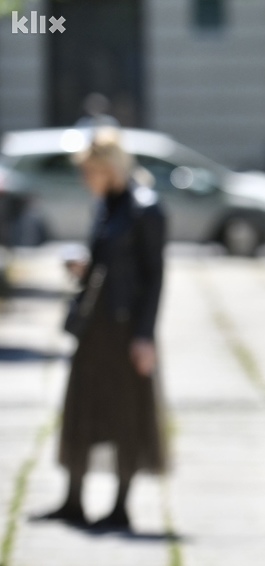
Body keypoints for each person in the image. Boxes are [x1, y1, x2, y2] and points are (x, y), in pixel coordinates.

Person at [40, 129, 168, 530]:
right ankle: (73, 501)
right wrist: (85, 266)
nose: (85, 180)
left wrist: (145, 336)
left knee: (126, 415)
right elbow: (105, 261)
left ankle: (119, 508)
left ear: (108, 168)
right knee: (82, 408)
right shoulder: (107, 205)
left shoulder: (146, 208)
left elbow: (154, 278)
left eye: (89, 172)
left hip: (126, 327)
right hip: (94, 325)